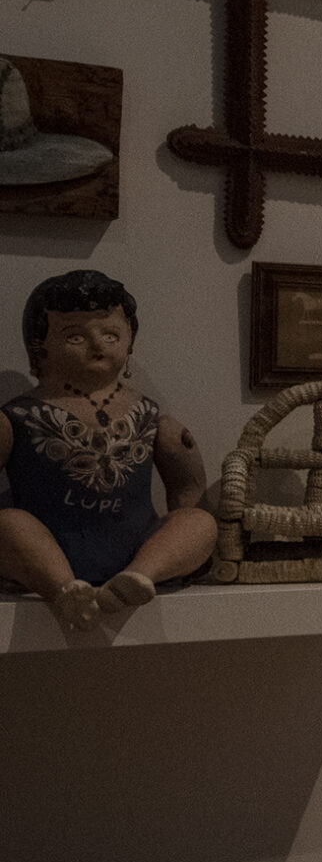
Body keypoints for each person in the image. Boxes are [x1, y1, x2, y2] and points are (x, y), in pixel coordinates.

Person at [1, 269, 217, 632]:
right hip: (45, 555)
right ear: (40, 346)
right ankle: (65, 589)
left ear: (130, 342)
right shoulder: (17, 417)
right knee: (8, 523)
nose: (97, 344)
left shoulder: (151, 418)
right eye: (75, 336)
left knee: (200, 523)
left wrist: (186, 543)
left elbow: (187, 491)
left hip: (136, 548)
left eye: (111, 334)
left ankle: (137, 579)